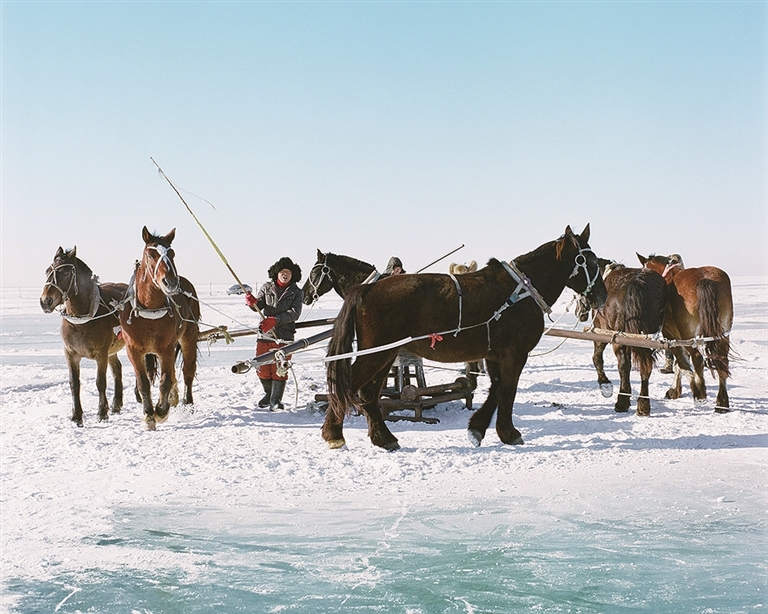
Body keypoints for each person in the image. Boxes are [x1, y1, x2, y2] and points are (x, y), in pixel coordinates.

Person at [244, 257, 303, 410]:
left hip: (285, 336)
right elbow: (259, 305)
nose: (285, 274)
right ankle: (268, 394)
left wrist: (276, 320)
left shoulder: (297, 292)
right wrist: (252, 302)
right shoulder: (266, 287)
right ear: (276, 273)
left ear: (293, 275)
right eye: (282, 272)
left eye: (288, 272)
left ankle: (276, 400)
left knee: (280, 369)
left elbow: (295, 313)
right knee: (262, 367)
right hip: (266, 334)